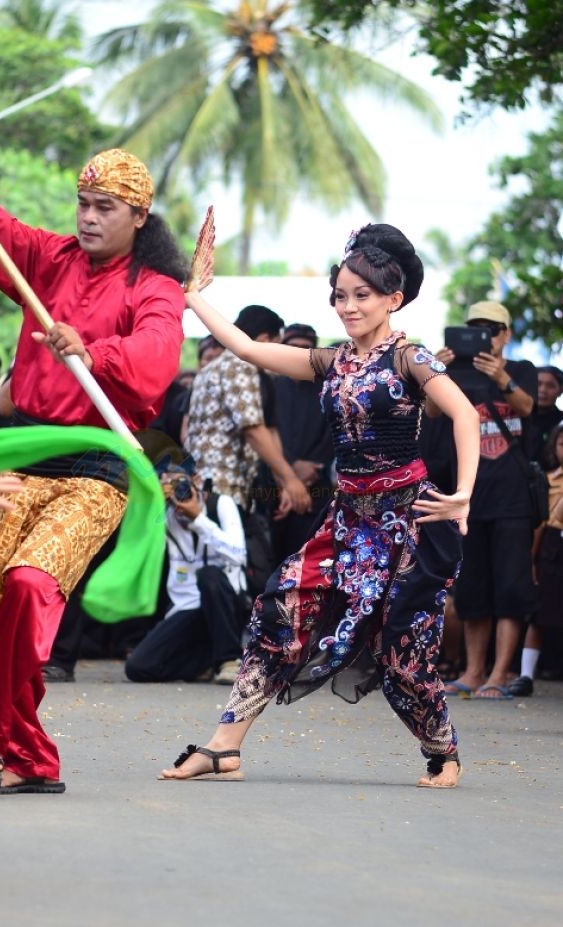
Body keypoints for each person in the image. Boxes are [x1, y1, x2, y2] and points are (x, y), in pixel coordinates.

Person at [160, 223, 480, 789]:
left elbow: (465, 415)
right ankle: (223, 745)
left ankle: (442, 751)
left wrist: (464, 495)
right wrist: (192, 296)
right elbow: (248, 347)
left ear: (393, 299)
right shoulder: (330, 362)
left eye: (362, 295)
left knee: (402, 652)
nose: (348, 306)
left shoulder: (411, 358)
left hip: (408, 526)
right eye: (340, 295)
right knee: (280, 609)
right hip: (348, 523)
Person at [0, 132, 187, 794]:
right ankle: (29, 756)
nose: (89, 216)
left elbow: (158, 353)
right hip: (25, 450)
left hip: (94, 468)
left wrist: (94, 351)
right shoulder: (46, 260)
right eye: (83, 202)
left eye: (105, 206)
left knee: (27, 586)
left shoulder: (154, 288)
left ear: (138, 217)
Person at [438, 300, 538, 700]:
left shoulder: (523, 371)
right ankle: (473, 671)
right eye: (476, 329)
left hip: (512, 499)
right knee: (473, 588)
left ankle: (499, 673)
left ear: (506, 335)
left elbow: (528, 407)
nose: (485, 336)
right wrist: (438, 374)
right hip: (469, 496)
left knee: (510, 589)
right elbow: (430, 411)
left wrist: (501, 379)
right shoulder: (454, 374)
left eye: (492, 329)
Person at [125, 460, 247, 685]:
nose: (174, 490)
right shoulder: (163, 515)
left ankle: (230, 660)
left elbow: (238, 555)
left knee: (209, 575)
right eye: (166, 484)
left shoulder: (221, 504)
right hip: (187, 608)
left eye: (178, 482)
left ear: (197, 480)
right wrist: (151, 507)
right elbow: (141, 555)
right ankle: (204, 662)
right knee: (138, 668)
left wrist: (198, 519)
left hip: (226, 603)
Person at [186, 304, 311, 516]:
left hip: (207, 484)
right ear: (263, 340)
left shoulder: (212, 368)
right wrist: (290, 479)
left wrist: (281, 481)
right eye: (278, 346)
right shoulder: (240, 366)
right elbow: (253, 429)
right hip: (222, 487)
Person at [272, 322, 335, 563]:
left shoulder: (327, 387)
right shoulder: (272, 386)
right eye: (292, 347)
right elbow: (268, 433)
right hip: (275, 486)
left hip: (316, 488)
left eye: (304, 349)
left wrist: (313, 467)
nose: (297, 353)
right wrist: (288, 472)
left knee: (309, 561)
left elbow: (333, 432)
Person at [508, 422, 563, 695]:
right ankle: (526, 675)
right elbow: (541, 523)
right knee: (540, 613)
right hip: (552, 545)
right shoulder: (548, 478)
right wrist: (531, 557)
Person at [529, 365, 563, 467]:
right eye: (538, 384)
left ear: (560, 390)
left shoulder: (561, 423)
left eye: (550, 386)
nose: (543, 390)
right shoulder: (517, 418)